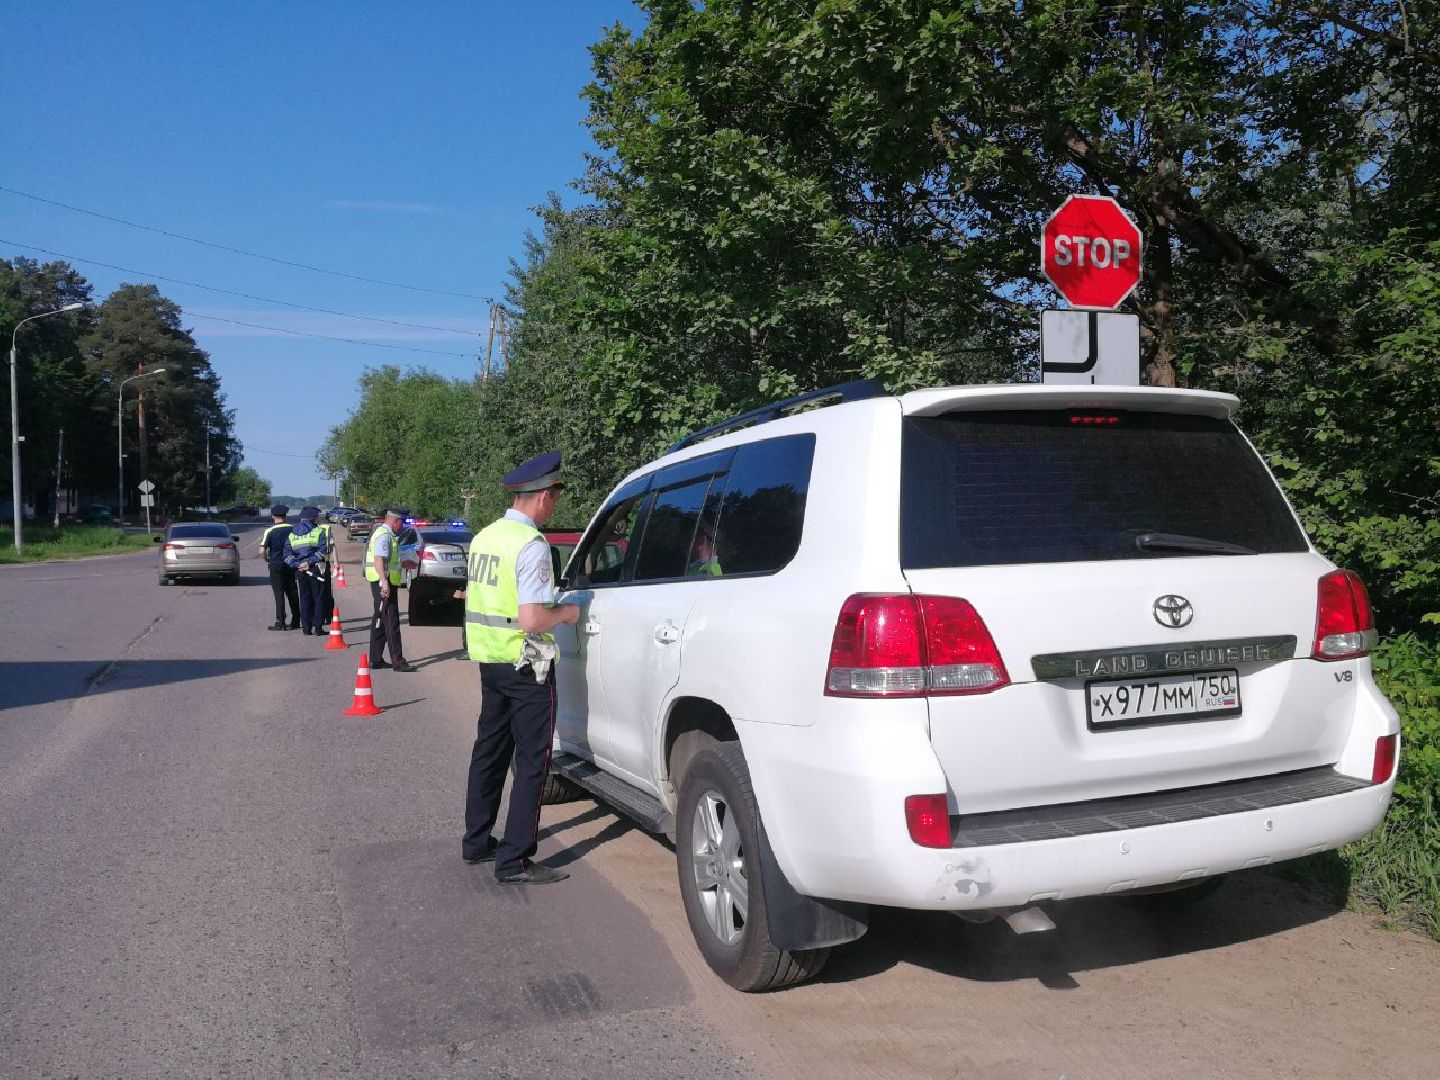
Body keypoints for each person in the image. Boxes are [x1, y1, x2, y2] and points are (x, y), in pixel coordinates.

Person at [461, 451, 580, 885]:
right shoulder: (532, 546)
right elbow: (531, 619)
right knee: (533, 761)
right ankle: (514, 861)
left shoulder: (485, 537)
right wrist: (566, 614)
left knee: (488, 751)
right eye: (556, 496)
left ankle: (476, 842)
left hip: (490, 659)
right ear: (544, 496)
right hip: (526, 665)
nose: (556, 505)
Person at [365, 508, 414, 672]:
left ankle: (376, 659)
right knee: (391, 623)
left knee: (379, 621)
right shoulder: (385, 536)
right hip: (383, 584)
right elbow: (379, 559)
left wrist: (403, 564)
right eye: (403, 522)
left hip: (381, 581)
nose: (402, 526)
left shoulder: (383, 534)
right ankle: (398, 661)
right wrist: (384, 583)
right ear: (396, 521)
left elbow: (388, 562)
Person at [285, 506, 330, 636]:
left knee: (304, 599)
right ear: (314, 518)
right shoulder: (318, 531)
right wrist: (308, 562)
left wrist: (298, 564)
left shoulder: (292, 533)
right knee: (318, 598)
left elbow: (287, 554)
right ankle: (318, 628)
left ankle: (306, 628)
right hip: (315, 569)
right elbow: (322, 552)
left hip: (300, 570)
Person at [258, 505, 299, 631]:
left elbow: (261, 550)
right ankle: (296, 620)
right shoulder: (293, 529)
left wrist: (267, 559)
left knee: (279, 593)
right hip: (290, 564)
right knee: (292, 591)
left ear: (273, 516)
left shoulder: (269, 531)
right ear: (285, 516)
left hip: (275, 564)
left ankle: (281, 622)